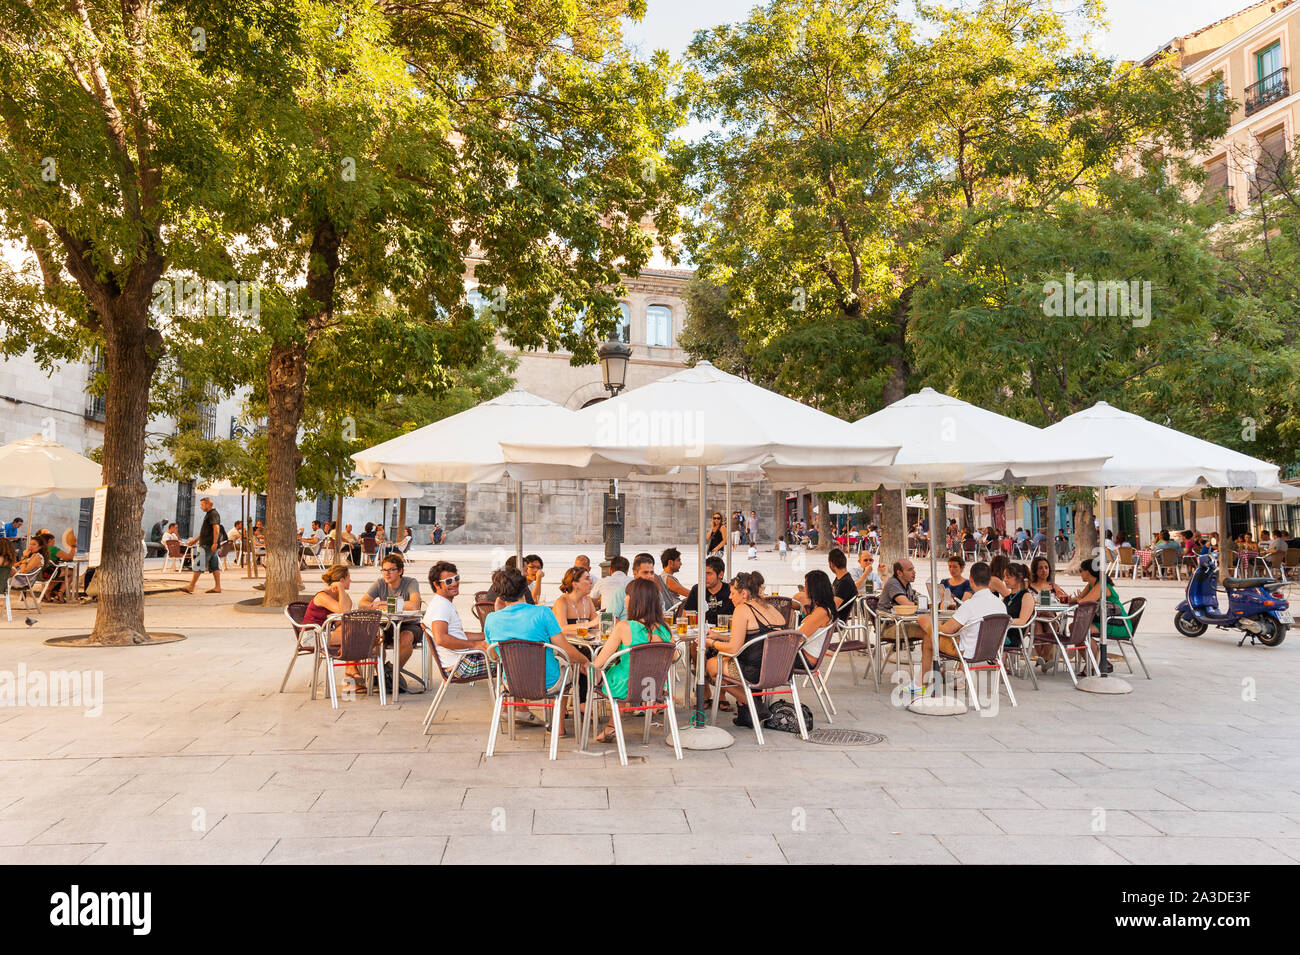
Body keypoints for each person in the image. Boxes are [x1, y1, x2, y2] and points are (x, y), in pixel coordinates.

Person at [484, 566, 588, 735]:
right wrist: (586, 661)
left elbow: (495, 655)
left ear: (500, 594)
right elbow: (566, 649)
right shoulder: (542, 613)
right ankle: (558, 727)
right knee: (569, 668)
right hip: (549, 683)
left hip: (512, 684)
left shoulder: (492, 619)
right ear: (524, 588)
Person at [589, 577, 673, 743]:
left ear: (636, 601)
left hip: (625, 687)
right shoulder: (665, 629)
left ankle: (594, 718)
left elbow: (599, 663)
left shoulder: (624, 627)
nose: (625, 599)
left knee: (607, 672)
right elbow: (675, 658)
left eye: (628, 596)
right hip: (653, 687)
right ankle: (611, 727)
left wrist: (587, 666)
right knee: (626, 673)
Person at [912, 561, 1004, 695]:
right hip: (992, 650)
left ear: (971, 579)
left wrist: (929, 622)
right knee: (932, 632)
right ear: (989, 580)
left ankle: (921, 683)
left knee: (929, 637)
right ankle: (929, 681)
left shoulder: (970, 605)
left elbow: (946, 631)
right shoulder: (1001, 605)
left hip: (968, 651)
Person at [704, 571, 784, 721]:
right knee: (726, 671)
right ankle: (746, 711)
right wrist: (719, 637)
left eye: (733, 593)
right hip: (780, 669)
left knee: (712, 665)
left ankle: (754, 705)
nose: (729, 597)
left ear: (744, 594)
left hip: (755, 671)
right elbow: (753, 638)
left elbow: (734, 648)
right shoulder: (771, 607)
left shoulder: (743, 609)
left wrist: (711, 643)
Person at [303, 564, 372, 695]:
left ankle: (349, 677)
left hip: (326, 633)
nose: (350, 581)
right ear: (341, 580)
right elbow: (345, 611)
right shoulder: (322, 596)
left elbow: (344, 617)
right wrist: (341, 589)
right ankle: (350, 673)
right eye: (348, 578)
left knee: (357, 633)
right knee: (358, 637)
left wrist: (342, 593)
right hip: (312, 637)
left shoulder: (341, 597)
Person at [358, 552, 421, 692]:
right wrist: (372, 605)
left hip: (409, 623)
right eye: (384, 570)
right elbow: (362, 603)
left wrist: (386, 603)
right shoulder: (380, 583)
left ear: (400, 571)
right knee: (373, 639)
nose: (387, 573)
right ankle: (383, 675)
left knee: (406, 638)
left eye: (391, 570)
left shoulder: (410, 582)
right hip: (386, 624)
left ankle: (390, 672)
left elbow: (414, 605)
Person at [423, 561, 490, 682]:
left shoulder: (442, 603)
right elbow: (441, 639)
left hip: (461, 660)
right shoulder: (441, 607)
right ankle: (511, 698)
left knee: (505, 652)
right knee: (510, 658)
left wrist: (485, 636)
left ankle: (508, 697)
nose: (454, 583)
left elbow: (458, 635)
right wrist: (474, 645)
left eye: (456, 578)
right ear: (437, 585)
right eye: (448, 581)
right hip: (461, 665)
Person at [1067, 557, 1130, 676]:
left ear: (1088, 572)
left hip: (1117, 623)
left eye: (1081, 570)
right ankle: (1098, 662)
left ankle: (1095, 664)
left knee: (1081, 630)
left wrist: (1079, 599)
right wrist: (1073, 599)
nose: (1080, 573)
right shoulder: (1092, 584)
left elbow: (1084, 602)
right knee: (1073, 628)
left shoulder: (1101, 586)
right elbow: (1078, 599)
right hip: (1103, 621)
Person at [794, 569, 837, 670]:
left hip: (805, 659)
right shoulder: (824, 609)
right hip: (803, 655)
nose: (804, 588)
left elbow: (797, 638)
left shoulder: (821, 612)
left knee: (759, 657)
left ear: (813, 588)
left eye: (806, 585)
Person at [181, 498, 225, 595]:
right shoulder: (210, 514)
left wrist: (214, 543)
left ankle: (191, 586)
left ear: (208, 504)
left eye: (202, 505)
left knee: (199, 564)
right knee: (214, 567)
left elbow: (216, 528)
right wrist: (195, 540)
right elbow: (206, 531)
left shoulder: (213, 514)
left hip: (207, 545)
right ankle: (218, 587)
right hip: (209, 544)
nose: (201, 507)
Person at [682, 556, 734, 625]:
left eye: (709, 573)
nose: (705, 577)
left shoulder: (730, 591)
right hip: (701, 632)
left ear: (720, 574)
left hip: (725, 632)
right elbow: (684, 617)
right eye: (703, 573)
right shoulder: (697, 589)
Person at [552, 566, 599, 636]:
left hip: (586, 643)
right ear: (575, 584)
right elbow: (562, 628)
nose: (591, 582)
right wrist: (589, 624)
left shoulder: (588, 600)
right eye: (587, 578)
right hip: (565, 644)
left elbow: (597, 625)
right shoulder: (561, 602)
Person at [1002, 563, 1036, 650]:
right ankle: (999, 663)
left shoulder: (1026, 596)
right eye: (1004, 577)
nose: (1005, 580)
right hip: (1004, 630)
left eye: (1008, 577)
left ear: (1019, 577)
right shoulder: (1007, 597)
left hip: (1015, 633)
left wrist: (1002, 622)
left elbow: (1022, 621)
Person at [595, 555, 630, 619]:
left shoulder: (602, 581)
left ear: (610, 570)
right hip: (628, 621)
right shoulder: (633, 582)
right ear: (627, 571)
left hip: (606, 619)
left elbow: (593, 600)